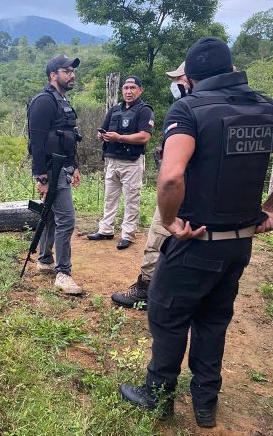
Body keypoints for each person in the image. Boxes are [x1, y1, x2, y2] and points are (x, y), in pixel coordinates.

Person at [120, 37, 273, 428]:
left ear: (191, 77)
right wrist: (269, 210)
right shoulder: (264, 107)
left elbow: (171, 176)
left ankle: (157, 396)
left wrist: (171, 222)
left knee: (168, 315)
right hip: (240, 243)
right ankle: (206, 402)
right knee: (214, 319)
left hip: (196, 240)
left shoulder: (188, 110)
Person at [111, 63, 190, 308]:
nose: (177, 83)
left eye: (180, 78)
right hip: (212, 195)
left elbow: (172, 172)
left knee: (158, 235)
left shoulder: (187, 109)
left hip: (181, 187)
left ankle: (146, 288)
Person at [27, 54, 83, 295]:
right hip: (51, 169)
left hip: (64, 167)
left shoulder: (63, 100)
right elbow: (37, 143)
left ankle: (45, 260)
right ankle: (63, 273)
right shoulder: (43, 101)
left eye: (72, 71)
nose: (72, 75)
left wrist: (75, 166)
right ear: (53, 75)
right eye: (66, 71)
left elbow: (69, 137)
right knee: (66, 220)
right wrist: (41, 177)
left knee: (50, 217)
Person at [87, 76, 154, 250]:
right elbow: (103, 129)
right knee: (109, 198)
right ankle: (106, 230)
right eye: (126, 88)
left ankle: (127, 234)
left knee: (131, 199)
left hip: (131, 162)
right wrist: (102, 135)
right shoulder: (115, 109)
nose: (128, 91)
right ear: (122, 90)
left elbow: (145, 137)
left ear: (140, 90)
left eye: (132, 88)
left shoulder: (144, 110)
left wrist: (120, 138)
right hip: (112, 159)